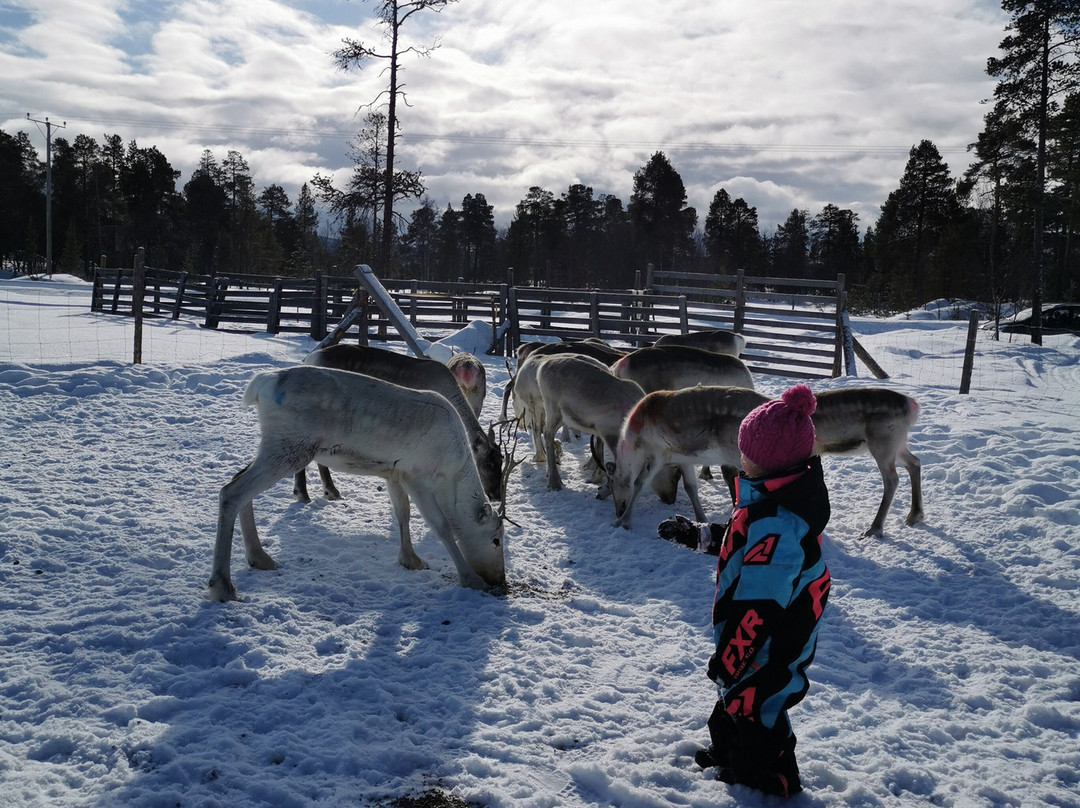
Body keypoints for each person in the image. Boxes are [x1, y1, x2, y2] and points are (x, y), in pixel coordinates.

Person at [657, 384, 831, 797]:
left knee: (757, 716)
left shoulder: (780, 525)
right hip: (749, 648)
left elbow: (760, 609)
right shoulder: (767, 503)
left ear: (770, 464)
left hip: (767, 650)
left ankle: (770, 780)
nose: (740, 461)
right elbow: (741, 545)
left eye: (745, 455)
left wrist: (730, 661)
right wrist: (700, 537)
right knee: (731, 711)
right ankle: (729, 756)